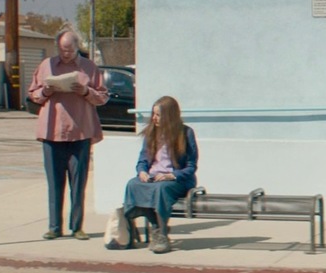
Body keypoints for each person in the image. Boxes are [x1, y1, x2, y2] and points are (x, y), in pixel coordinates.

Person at [27, 31, 109, 240]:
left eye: (70, 50)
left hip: (80, 132)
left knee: (78, 182)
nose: (66, 54)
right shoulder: (47, 65)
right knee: (54, 183)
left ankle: (77, 227)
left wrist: (85, 91)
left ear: (77, 47)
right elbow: (33, 95)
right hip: (51, 133)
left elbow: (103, 97)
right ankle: (54, 227)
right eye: (62, 50)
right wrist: (46, 91)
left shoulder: (89, 67)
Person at [121, 96, 198, 254]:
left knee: (161, 189)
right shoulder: (151, 133)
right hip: (154, 177)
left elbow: (191, 167)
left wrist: (171, 175)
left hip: (177, 180)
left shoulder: (186, 133)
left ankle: (161, 233)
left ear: (169, 116)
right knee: (133, 184)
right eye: (153, 114)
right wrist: (141, 172)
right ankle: (153, 227)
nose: (154, 118)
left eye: (158, 115)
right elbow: (142, 160)